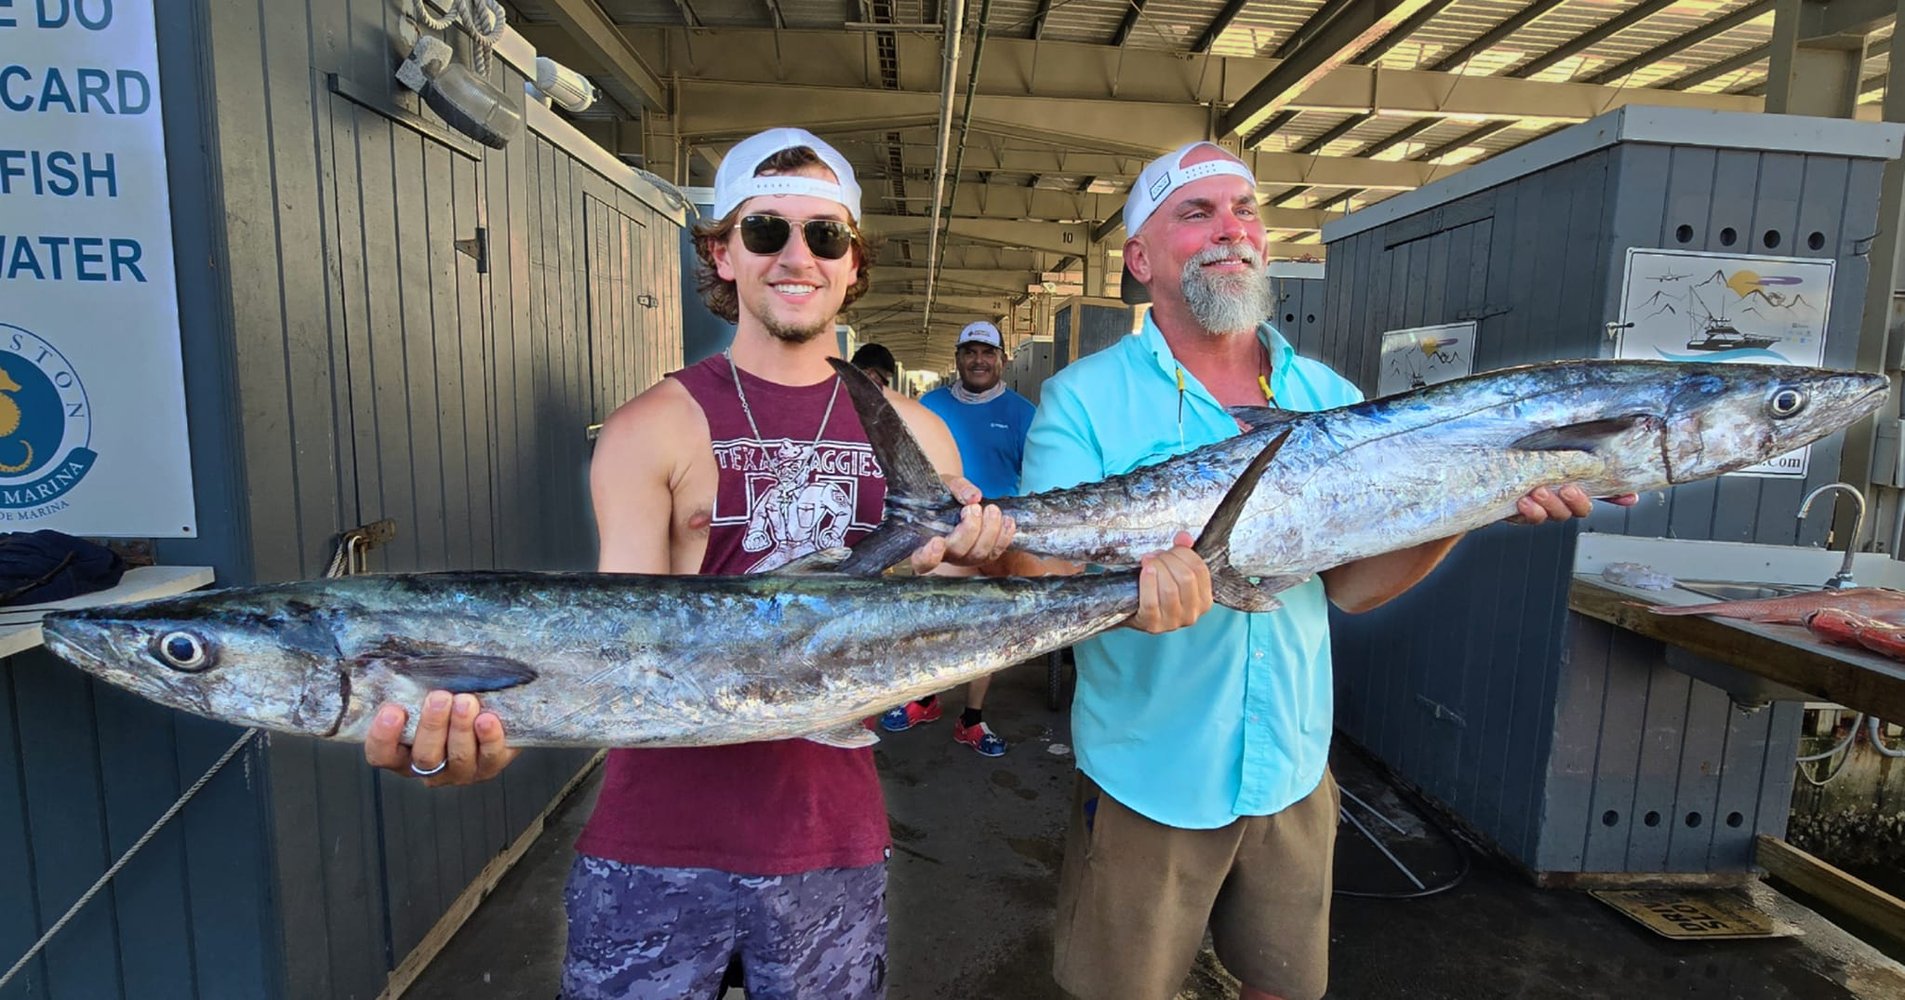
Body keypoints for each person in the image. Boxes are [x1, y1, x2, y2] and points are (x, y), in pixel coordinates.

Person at [361, 126, 1215, 1000]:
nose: (796, 255)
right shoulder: (646, 428)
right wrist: (491, 736)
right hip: (651, 845)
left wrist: (1004, 561)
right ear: (723, 253)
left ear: (852, 264)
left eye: (825, 234)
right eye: (766, 231)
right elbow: (617, 648)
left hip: (830, 842)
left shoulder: (914, 433)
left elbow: (967, 594)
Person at [1014, 140, 1639, 1000]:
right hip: (1148, 772)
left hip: (1293, 766)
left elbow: (1350, 587)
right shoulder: (1082, 398)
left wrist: (1481, 497)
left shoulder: (1332, 399)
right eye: (1195, 213)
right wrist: (1126, 598)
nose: (1231, 230)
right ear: (1138, 258)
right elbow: (1036, 573)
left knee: (1284, 987)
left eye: (1245, 210)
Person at [879, 320, 1037, 755]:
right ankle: (926, 698)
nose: (979, 360)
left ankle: (971, 719)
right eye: (970, 352)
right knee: (930, 622)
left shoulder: (1023, 414)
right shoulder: (929, 406)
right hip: (940, 534)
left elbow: (1040, 478)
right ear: (958, 358)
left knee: (984, 631)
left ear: (1002, 359)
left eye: (987, 352)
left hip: (996, 539)